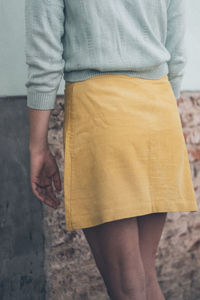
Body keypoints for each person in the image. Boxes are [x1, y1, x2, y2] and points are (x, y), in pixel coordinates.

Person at [25, 0, 198, 299]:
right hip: (158, 111)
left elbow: (45, 57)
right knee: (144, 279)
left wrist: (37, 146)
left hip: (102, 114)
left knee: (128, 288)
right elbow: (177, 51)